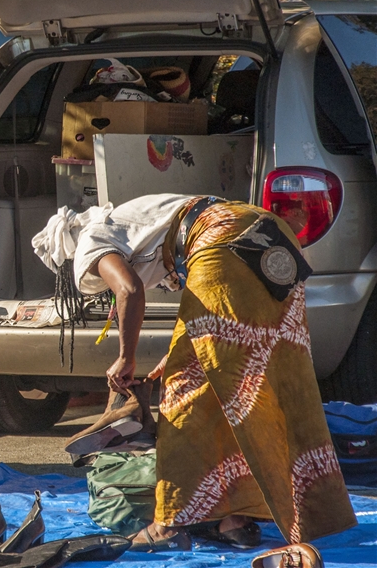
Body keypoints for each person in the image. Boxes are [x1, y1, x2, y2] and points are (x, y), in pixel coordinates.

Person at [33, 193, 357, 554]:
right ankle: (253, 519)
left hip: (222, 243)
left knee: (183, 394)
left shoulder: (91, 241)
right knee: (263, 384)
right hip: (273, 238)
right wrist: (178, 353)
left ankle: (169, 525)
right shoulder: (134, 222)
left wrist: (126, 358)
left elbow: (129, 289)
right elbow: (206, 295)